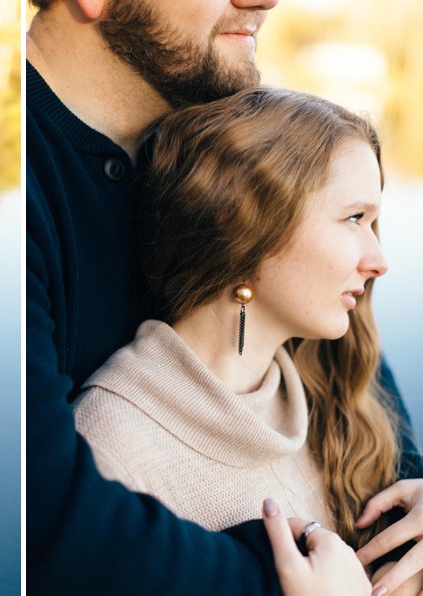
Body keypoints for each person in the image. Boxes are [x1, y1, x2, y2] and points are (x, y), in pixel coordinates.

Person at [26, 1, 423, 594]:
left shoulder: (231, 141)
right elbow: (49, 512)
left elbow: (357, 374)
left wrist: (408, 508)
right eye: (352, 220)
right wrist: (288, 568)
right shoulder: (25, 187)